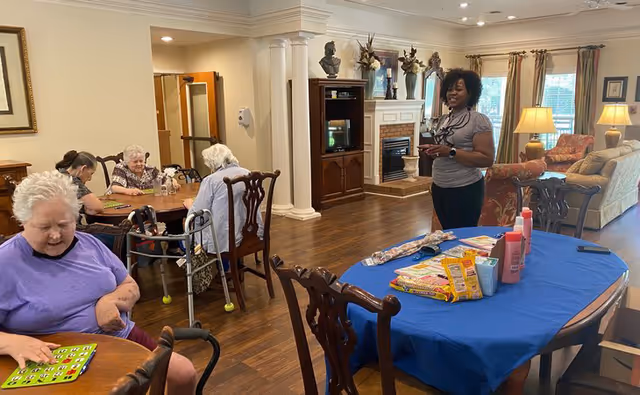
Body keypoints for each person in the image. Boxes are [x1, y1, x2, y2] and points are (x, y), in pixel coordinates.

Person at [0, 171, 196, 394]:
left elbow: (130, 286)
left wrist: (110, 300)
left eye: (64, 225)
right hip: (50, 359)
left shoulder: (90, 244)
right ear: (23, 222)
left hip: (117, 339)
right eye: (44, 228)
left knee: (184, 373)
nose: (55, 236)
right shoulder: (5, 262)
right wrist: (12, 343)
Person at [418, 68, 495, 230]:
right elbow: (444, 149)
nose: (452, 93)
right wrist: (433, 151)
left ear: (470, 93)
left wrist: (451, 152)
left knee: (462, 236)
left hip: (465, 188)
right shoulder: (444, 119)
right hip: (440, 186)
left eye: (458, 89)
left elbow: (487, 159)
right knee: (447, 233)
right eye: (449, 89)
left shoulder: (478, 120)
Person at [183, 144, 262, 271]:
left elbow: (199, 213)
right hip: (252, 233)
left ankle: (209, 270)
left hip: (226, 240)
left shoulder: (211, 180)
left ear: (212, 163)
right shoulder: (247, 173)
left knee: (184, 238)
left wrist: (190, 205)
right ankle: (225, 266)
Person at [110, 144, 180, 195]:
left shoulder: (150, 169)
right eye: (135, 162)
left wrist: (173, 181)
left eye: (141, 161)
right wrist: (129, 191)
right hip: (123, 202)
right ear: (127, 161)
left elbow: (165, 178)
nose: (139, 164)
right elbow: (115, 187)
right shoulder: (121, 168)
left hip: (143, 202)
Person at [55, 150, 103, 217]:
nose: (90, 178)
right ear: (83, 168)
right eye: (91, 173)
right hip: (68, 226)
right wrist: (87, 208)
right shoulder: (71, 180)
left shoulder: (58, 174)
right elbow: (97, 206)